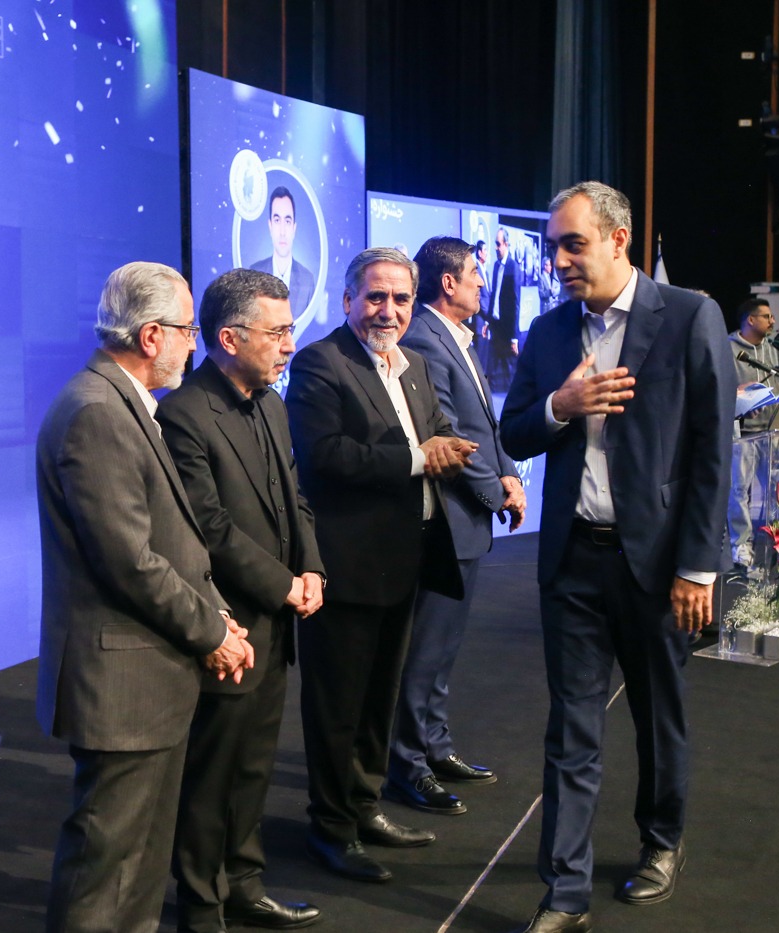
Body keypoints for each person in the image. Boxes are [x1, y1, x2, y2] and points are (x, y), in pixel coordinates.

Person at [499, 182, 734, 933]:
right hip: (572, 561)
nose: (559, 260)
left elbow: (712, 451)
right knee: (570, 726)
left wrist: (697, 566)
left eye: (573, 244)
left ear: (618, 238)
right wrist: (560, 407)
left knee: (658, 716)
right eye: (552, 247)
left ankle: (662, 842)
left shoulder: (689, 316)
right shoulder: (548, 331)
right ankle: (564, 891)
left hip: (659, 566)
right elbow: (514, 432)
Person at [37, 261, 254, 932]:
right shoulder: (98, 411)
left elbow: (168, 540)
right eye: (189, 331)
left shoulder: (122, 402)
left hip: (147, 675)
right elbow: (129, 561)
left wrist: (217, 615)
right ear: (152, 335)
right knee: (108, 874)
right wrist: (212, 632)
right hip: (122, 683)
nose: (195, 345)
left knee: (136, 872)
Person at [285, 247, 475, 883]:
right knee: (337, 707)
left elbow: (436, 426)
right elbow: (326, 457)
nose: (387, 310)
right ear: (348, 301)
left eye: (399, 298)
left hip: (404, 562)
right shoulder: (320, 362)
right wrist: (421, 457)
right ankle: (331, 828)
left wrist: (447, 445)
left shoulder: (413, 363)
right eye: (375, 296)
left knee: (378, 702)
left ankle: (365, 809)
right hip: (344, 567)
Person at [157, 268, 326, 932]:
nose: (290, 344)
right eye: (277, 332)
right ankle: (202, 903)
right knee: (212, 773)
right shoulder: (183, 413)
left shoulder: (273, 404)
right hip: (225, 625)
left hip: (277, 620)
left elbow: (294, 497)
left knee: (254, 764)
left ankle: (245, 881)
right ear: (229, 338)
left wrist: (310, 567)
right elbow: (209, 527)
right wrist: (283, 584)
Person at [388, 237, 526, 817]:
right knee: (424, 651)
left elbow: (487, 428)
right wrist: (496, 491)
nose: (481, 282)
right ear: (448, 283)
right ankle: (407, 764)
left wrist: (511, 473)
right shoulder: (424, 337)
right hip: (444, 521)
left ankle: (435, 746)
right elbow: (446, 434)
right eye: (474, 273)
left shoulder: (461, 337)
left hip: (466, 520)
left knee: (442, 650)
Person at [727, 297, 779, 569]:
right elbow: (720, 387)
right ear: (750, 320)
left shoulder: (775, 351)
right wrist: (740, 395)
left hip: (773, 432)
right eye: (766, 316)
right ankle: (741, 545)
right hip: (742, 433)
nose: (772, 321)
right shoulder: (728, 349)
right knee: (738, 491)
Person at [251, 185, 317, 314]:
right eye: (277, 220)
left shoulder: (307, 280)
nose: (282, 232)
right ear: (270, 226)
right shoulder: (254, 274)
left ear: (294, 228)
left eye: (287, 221)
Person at [485, 228, 521, 391]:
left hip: (507, 329)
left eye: (498, 244)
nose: (495, 247)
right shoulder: (496, 266)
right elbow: (494, 295)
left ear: (506, 244)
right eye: (495, 244)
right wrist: (488, 321)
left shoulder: (513, 267)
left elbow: (515, 303)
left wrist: (514, 337)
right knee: (491, 370)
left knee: (509, 371)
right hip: (495, 326)